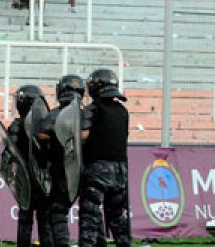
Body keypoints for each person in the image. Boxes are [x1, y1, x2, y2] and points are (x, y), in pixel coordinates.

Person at [79, 69, 131, 247]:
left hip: (97, 169)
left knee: (89, 218)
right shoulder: (123, 111)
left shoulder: (92, 110)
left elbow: (82, 136)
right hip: (121, 170)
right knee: (119, 218)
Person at [39, 75, 86, 247]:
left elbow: (42, 134)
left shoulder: (56, 114)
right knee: (90, 215)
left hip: (63, 170)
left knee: (58, 211)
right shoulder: (87, 113)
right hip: (88, 169)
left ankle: (62, 243)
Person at [8, 86, 53, 247]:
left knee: (25, 218)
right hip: (43, 177)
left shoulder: (17, 125)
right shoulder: (46, 126)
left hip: (24, 177)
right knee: (45, 220)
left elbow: (10, 150)